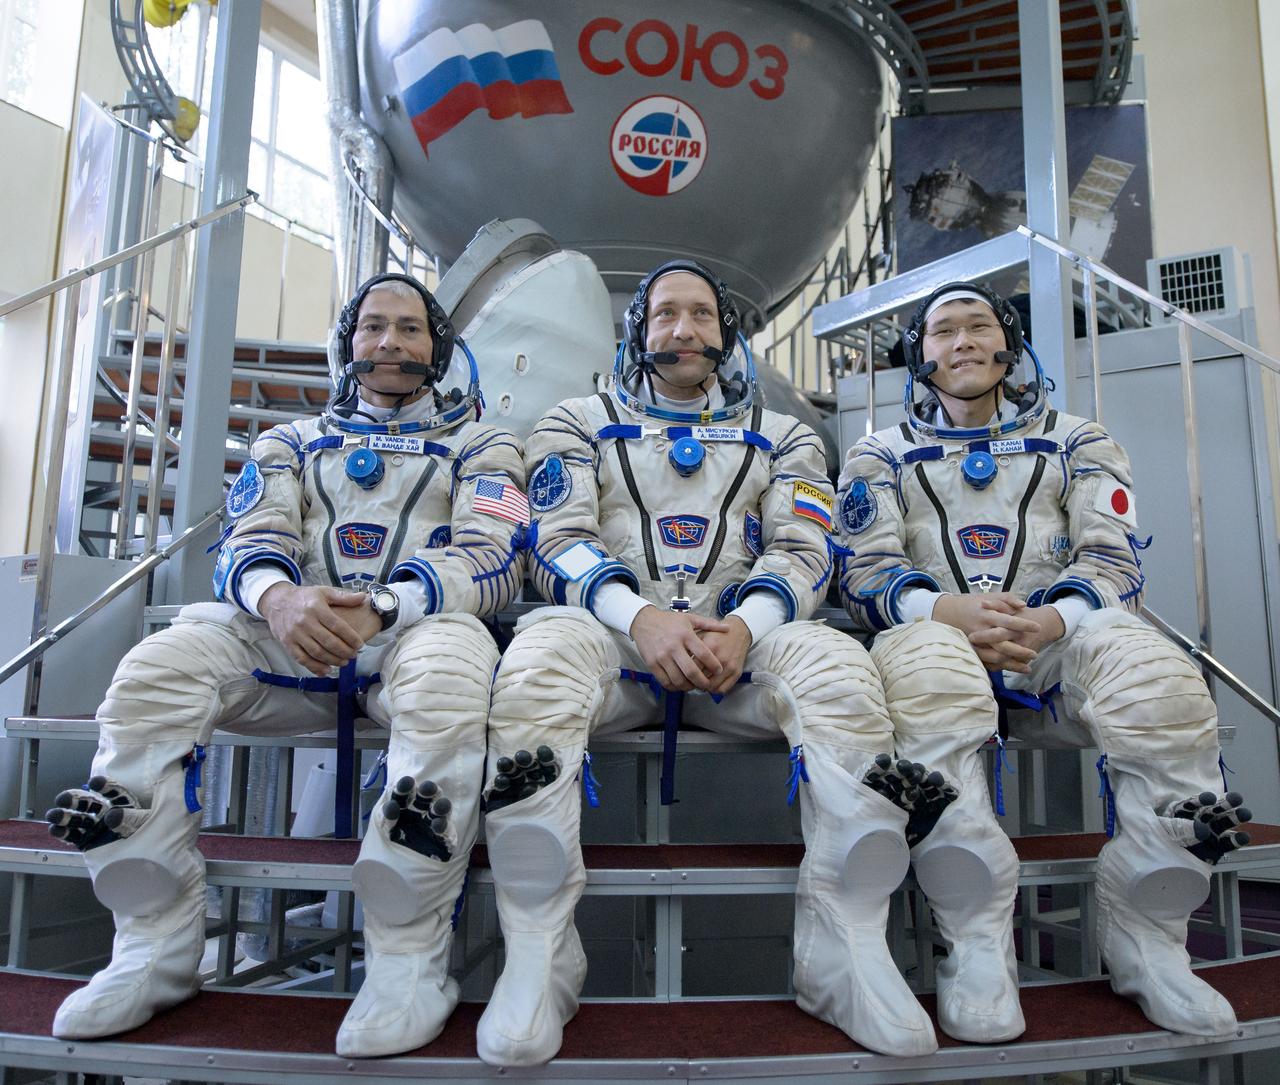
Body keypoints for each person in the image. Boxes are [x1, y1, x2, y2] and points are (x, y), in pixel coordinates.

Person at [474, 259, 954, 1067]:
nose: (683, 329)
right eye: (666, 314)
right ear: (639, 329)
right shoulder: (573, 422)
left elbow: (806, 549)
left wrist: (745, 624)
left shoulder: (788, 433)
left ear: (726, 335)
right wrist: (645, 618)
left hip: (745, 641)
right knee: (539, 666)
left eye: (701, 314)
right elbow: (556, 541)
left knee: (838, 673)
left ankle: (844, 952)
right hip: (617, 634)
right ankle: (540, 951)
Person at [44, 273, 527, 1058]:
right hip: (291, 638)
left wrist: (383, 606)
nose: (391, 343)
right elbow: (249, 540)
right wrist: (279, 603)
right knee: (155, 671)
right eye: (374, 327)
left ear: (437, 348)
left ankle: (407, 962)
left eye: (410, 329)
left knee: (451, 671)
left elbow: (495, 555)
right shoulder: (288, 443)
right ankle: (154, 946)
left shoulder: (486, 445)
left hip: (412, 634)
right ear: (348, 342)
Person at [835, 281, 1251, 1044]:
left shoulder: (1079, 440)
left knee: (1158, 681)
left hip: (1054, 636)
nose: (961, 340)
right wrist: (945, 612)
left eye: (978, 326)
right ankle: (978, 948)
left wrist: (1053, 616)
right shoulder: (877, 454)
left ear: (1008, 344)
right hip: (935, 635)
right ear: (916, 353)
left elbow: (1114, 559)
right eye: (942, 331)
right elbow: (864, 572)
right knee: (930, 674)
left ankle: (1150, 938)